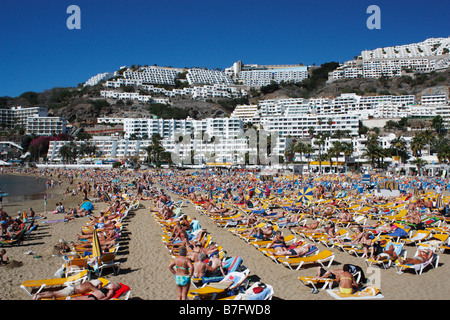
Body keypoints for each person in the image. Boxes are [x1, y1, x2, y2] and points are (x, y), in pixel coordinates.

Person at [32, 279, 104, 300]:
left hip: (71, 288)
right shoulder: (90, 286)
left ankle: (39, 294)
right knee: (55, 294)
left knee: (55, 292)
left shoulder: (87, 282)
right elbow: (98, 291)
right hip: (71, 291)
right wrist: (100, 285)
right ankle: (40, 296)